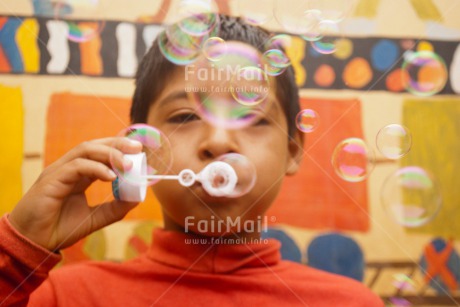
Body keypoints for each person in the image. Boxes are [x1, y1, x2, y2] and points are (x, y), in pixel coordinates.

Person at [0, 15, 384, 306]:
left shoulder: (352, 303)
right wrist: (17, 251)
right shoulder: (63, 296)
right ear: (142, 149)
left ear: (293, 149)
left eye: (250, 117)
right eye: (185, 117)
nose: (218, 142)